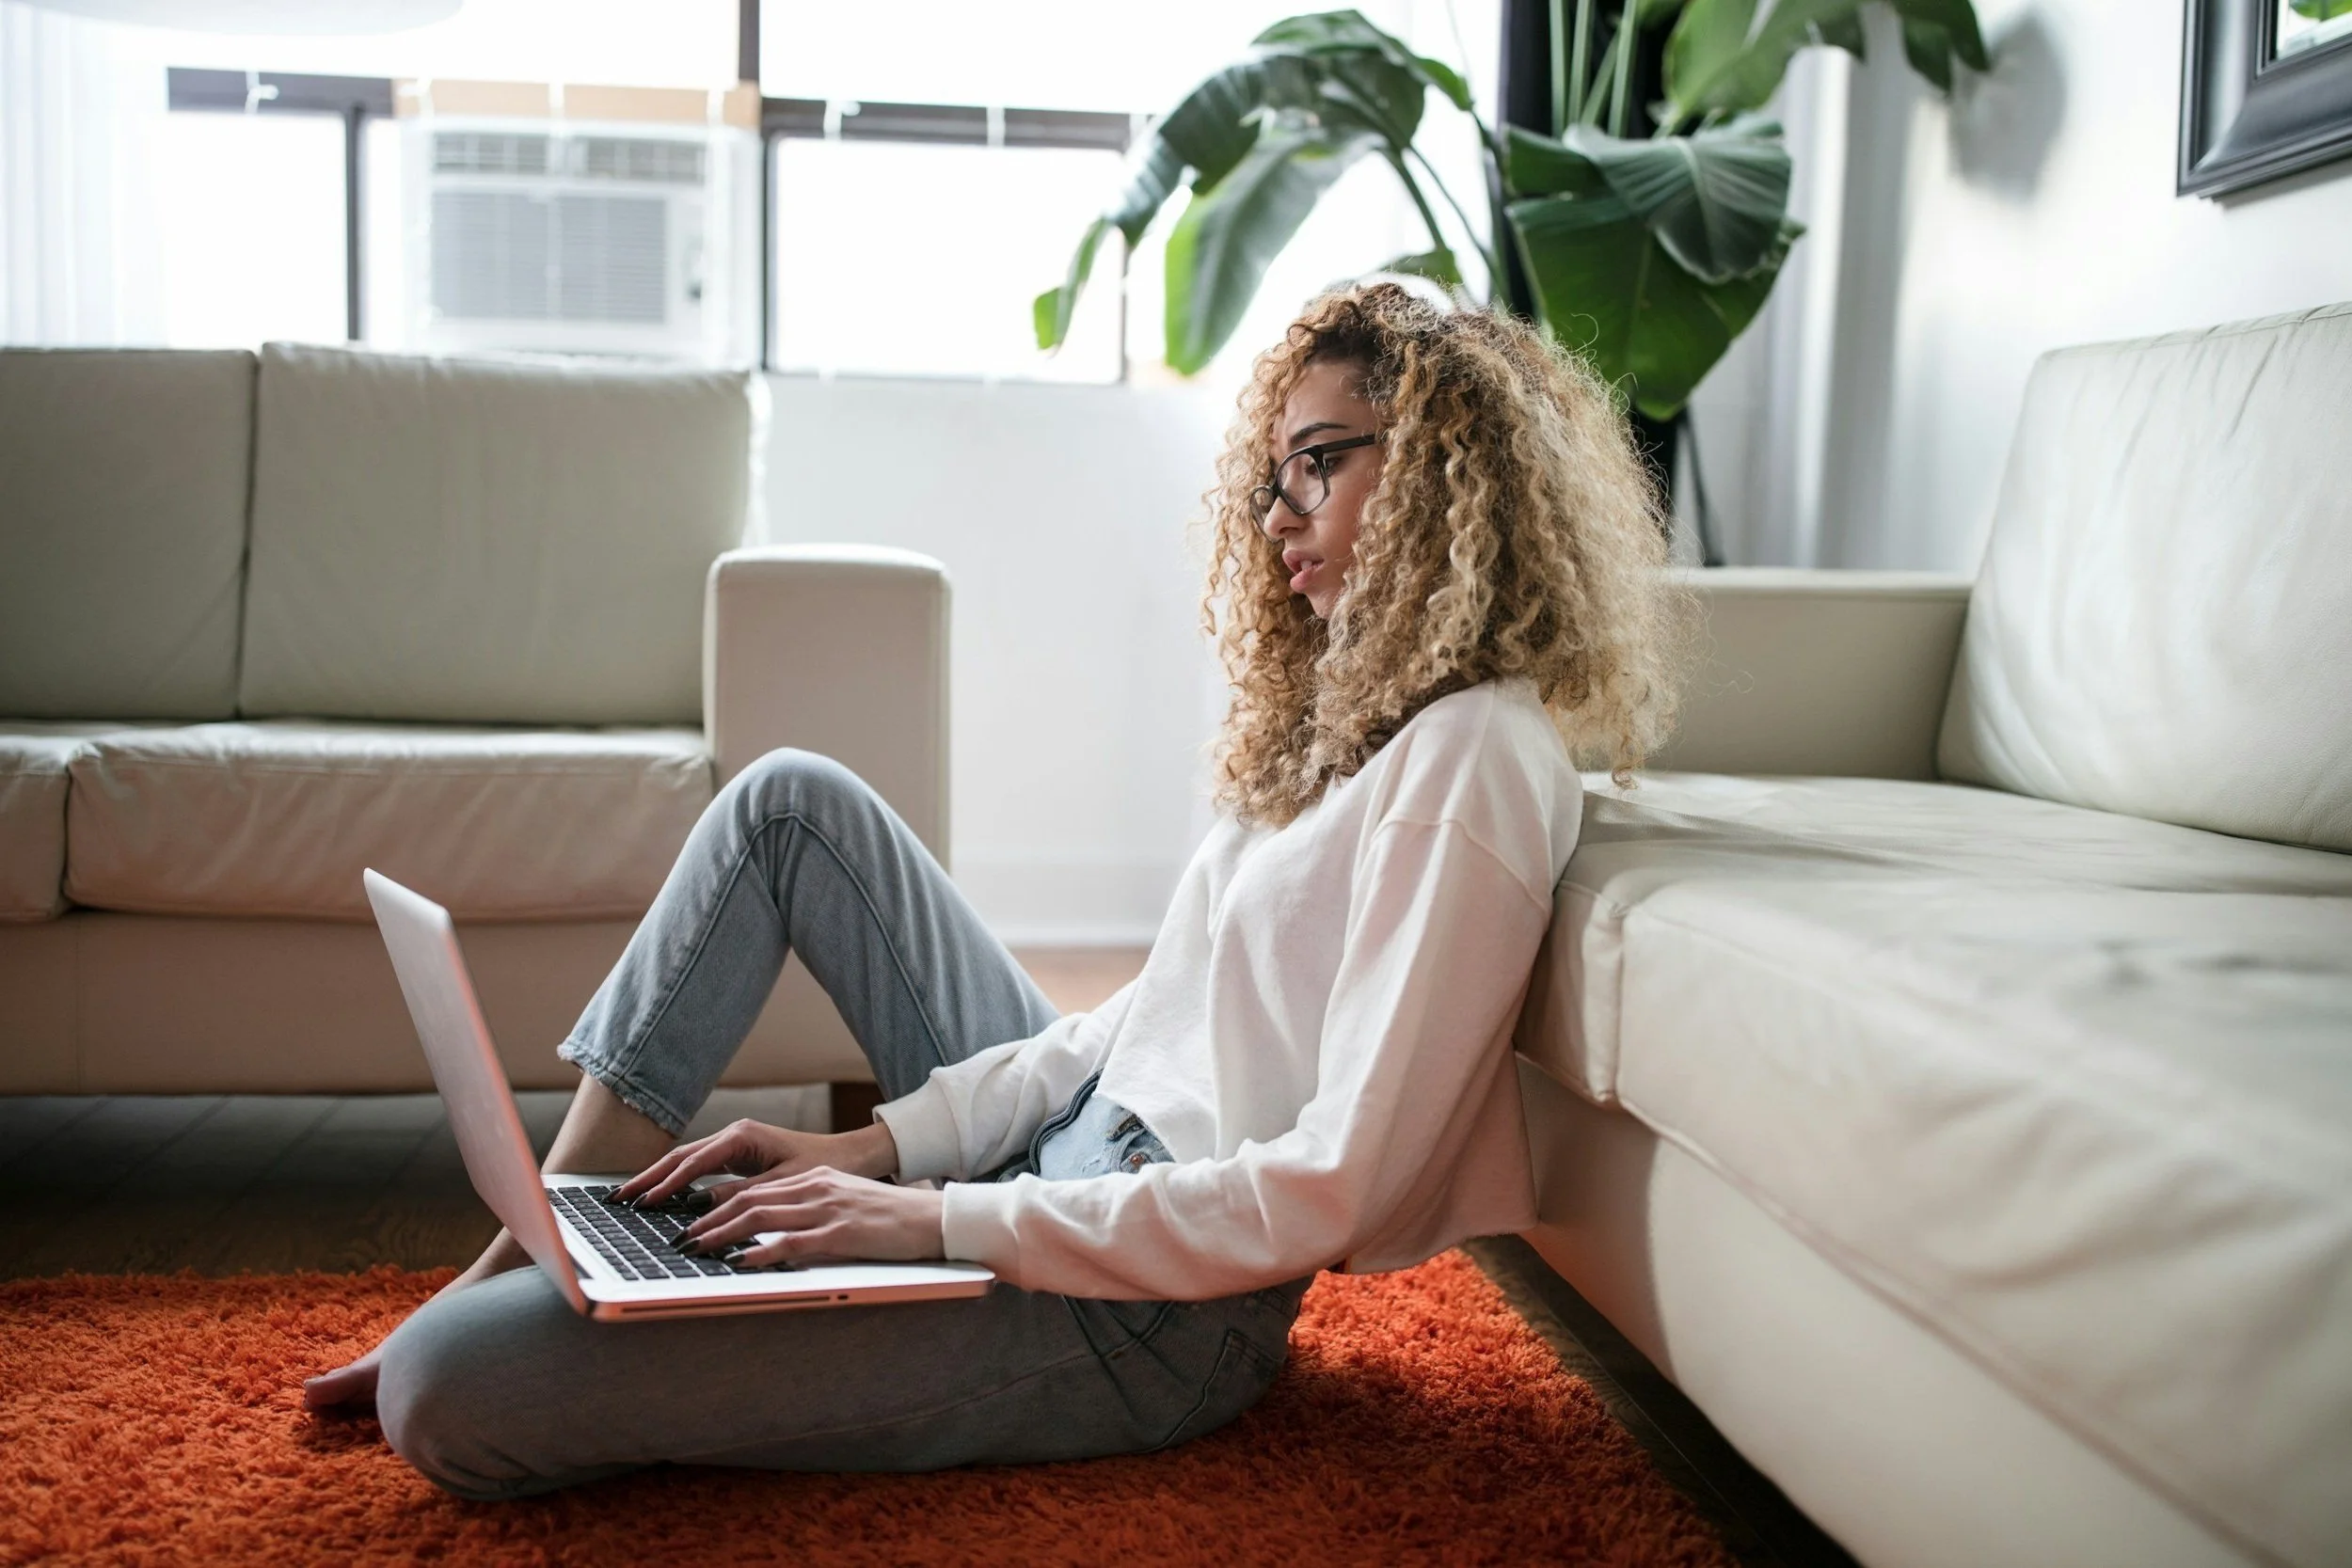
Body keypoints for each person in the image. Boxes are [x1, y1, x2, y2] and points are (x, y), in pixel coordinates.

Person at [302, 280, 1690, 1498]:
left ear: (1449, 467)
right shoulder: (1353, 721)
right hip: (1069, 1159)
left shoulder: (1477, 756)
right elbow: (1135, 1025)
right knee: (792, 801)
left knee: (443, 1390)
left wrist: (937, 1218)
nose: (1280, 515)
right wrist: (881, 1152)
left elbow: (1333, 1186)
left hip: (1151, 1311)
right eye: (1274, 475)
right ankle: (553, 1228)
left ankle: (535, 1292)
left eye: (1319, 463)